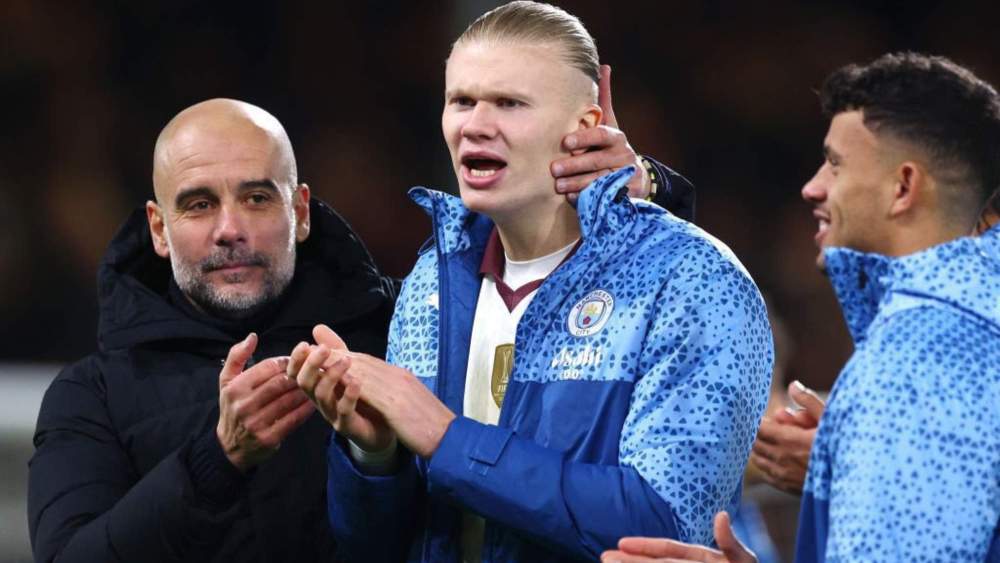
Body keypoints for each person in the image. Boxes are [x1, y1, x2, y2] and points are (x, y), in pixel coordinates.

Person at [27, 91, 668, 562]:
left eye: (257, 198)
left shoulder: (405, 328)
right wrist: (216, 460)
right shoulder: (93, 394)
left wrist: (638, 198)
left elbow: (577, 315)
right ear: (159, 230)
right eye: (199, 205)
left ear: (301, 211)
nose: (230, 228)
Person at [289, 2, 772, 561]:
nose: (475, 124)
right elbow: (384, 544)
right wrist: (374, 458)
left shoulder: (692, 280)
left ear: (587, 126)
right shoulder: (432, 285)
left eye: (510, 103)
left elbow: (665, 524)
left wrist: (449, 440)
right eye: (461, 101)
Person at [602, 52, 1000, 563]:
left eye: (836, 164)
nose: (813, 187)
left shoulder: (915, 358)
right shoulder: (964, 326)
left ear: (903, 187)